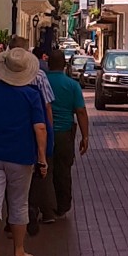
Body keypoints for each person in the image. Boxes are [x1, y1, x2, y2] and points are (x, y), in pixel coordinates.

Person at [0, 47, 47, 256]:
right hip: (20, 155)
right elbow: (40, 128)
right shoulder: (31, 95)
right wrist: (42, 157)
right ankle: (19, 250)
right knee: (18, 203)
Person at [6, 36, 56, 230]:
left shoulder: (0, 76)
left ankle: (14, 218)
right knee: (33, 172)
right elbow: (47, 108)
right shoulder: (40, 76)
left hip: (10, 130)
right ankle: (30, 210)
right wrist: (48, 133)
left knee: (11, 176)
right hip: (33, 132)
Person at [46, 49, 89, 218]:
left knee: (44, 170)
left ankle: (46, 205)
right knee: (63, 170)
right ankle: (62, 206)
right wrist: (85, 136)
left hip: (44, 133)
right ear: (65, 65)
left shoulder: (42, 82)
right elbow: (81, 112)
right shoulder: (72, 85)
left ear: (48, 65)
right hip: (64, 133)